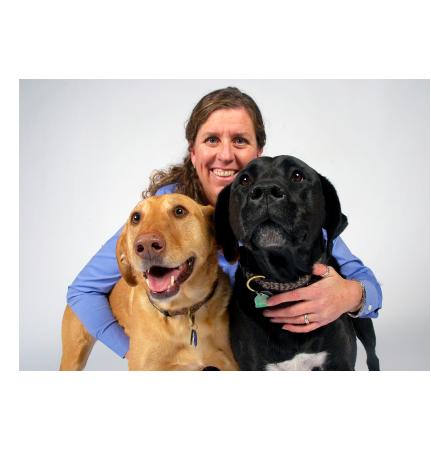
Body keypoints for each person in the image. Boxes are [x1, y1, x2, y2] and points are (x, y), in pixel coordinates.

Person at [67, 86, 382, 359]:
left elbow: (367, 285)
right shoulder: (161, 213)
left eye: (240, 141)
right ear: (193, 152)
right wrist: (137, 352)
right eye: (212, 140)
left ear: (259, 152)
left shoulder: (288, 211)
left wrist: (351, 296)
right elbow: (83, 291)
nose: (226, 155)